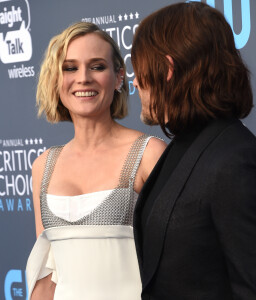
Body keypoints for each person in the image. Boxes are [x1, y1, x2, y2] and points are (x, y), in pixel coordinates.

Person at [131, 2, 256, 300]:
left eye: (140, 68)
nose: (135, 81)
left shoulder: (238, 162)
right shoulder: (185, 146)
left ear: (167, 69)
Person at [25, 21, 166, 300]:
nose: (83, 78)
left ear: (118, 78)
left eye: (97, 66)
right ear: (56, 79)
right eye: (70, 68)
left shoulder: (149, 154)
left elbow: (176, 265)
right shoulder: (44, 166)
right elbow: (46, 277)